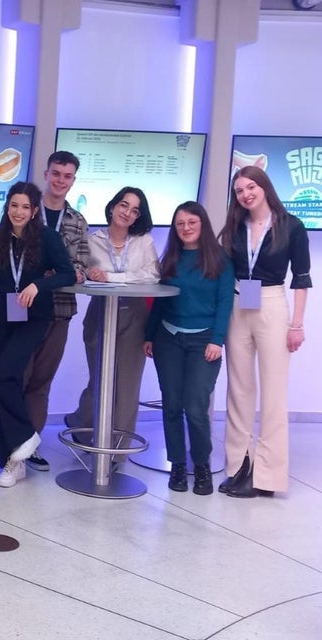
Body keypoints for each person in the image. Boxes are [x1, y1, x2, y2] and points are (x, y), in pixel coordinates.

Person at [218, 165, 311, 498]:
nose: (245, 195)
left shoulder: (291, 226)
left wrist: (296, 325)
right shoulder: (235, 226)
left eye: (250, 187)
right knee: (238, 389)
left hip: (271, 303)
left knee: (273, 393)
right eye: (239, 190)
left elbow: (301, 278)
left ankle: (268, 477)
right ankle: (239, 467)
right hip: (239, 301)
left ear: (264, 187)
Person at [0, 182, 76, 488]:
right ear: (7, 207)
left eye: (25, 207)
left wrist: (39, 285)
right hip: (4, 316)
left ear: (35, 211)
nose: (19, 212)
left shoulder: (47, 237)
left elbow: (67, 273)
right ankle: (12, 461)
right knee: (7, 383)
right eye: (14, 205)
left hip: (35, 317)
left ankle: (26, 437)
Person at [144, 202, 234, 495]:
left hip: (204, 342)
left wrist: (217, 340)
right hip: (167, 338)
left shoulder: (219, 259)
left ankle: (202, 465)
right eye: (180, 223)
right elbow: (160, 300)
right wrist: (149, 335)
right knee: (171, 405)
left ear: (202, 224)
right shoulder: (170, 257)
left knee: (195, 408)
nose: (186, 228)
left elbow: (225, 302)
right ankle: (178, 465)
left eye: (192, 222)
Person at [65, 187, 159, 460]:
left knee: (127, 387)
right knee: (101, 381)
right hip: (100, 313)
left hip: (135, 315)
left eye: (134, 210)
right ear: (113, 206)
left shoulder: (144, 241)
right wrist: (89, 273)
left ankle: (116, 453)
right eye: (123, 205)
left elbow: (152, 275)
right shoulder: (92, 240)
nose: (127, 212)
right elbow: (80, 270)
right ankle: (81, 422)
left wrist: (112, 277)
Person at [24, 151, 89, 470]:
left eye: (67, 176)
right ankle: (11, 442)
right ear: (46, 174)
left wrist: (63, 273)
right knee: (17, 377)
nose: (61, 180)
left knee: (41, 381)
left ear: (73, 180)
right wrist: (54, 273)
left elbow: (81, 266)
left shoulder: (77, 220)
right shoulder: (25, 210)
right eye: (56, 174)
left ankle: (31, 446)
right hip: (22, 309)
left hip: (60, 310)